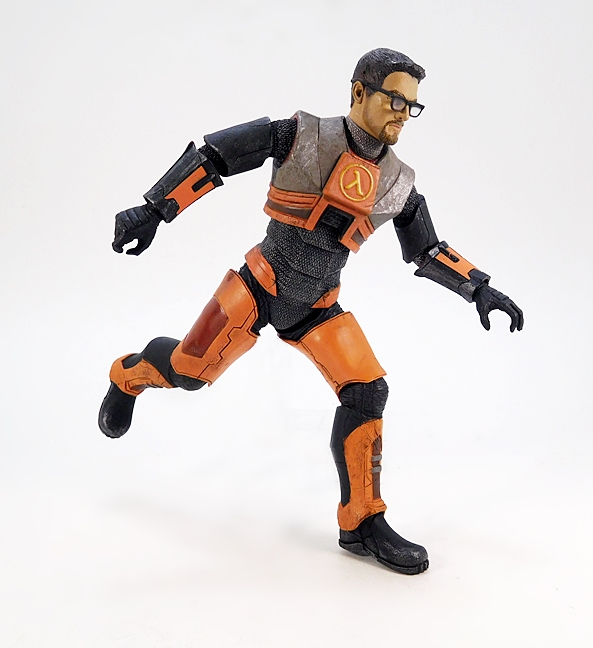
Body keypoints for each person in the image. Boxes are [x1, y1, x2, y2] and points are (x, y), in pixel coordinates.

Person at [99, 48, 523, 575]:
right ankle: (127, 375)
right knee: (189, 370)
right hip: (259, 285)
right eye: (395, 100)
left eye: (412, 106)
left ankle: (361, 521)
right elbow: (215, 156)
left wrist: (479, 288)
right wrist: (153, 209)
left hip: (318, 306)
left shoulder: (397, 183)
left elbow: (426, 249)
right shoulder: (299, 136)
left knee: (367, 391)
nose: (402, 114)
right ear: (359, 92)